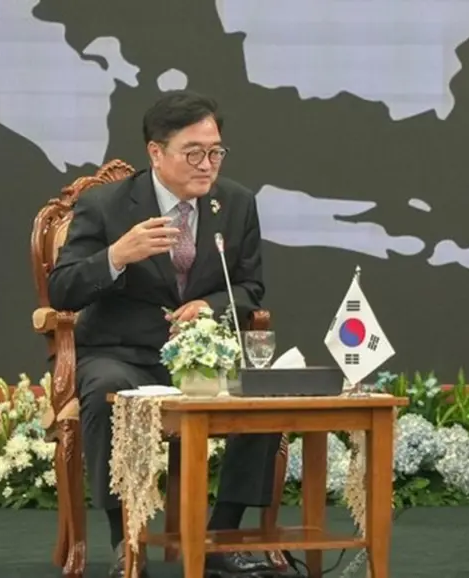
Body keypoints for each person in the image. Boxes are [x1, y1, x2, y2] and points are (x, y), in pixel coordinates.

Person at [48, 90, 282, 578]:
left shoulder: (235, 203)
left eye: (215, 152)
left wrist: (211, 306)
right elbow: (63, 289)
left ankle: (220, 538)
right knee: (107, 390)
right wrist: (117, 255)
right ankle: (125, 541)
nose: (207, 165)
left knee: (264, 394)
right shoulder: (105, 205)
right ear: (156, 152)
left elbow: (250, 286)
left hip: (203, 359)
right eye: (193, 153)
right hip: (122, 353)